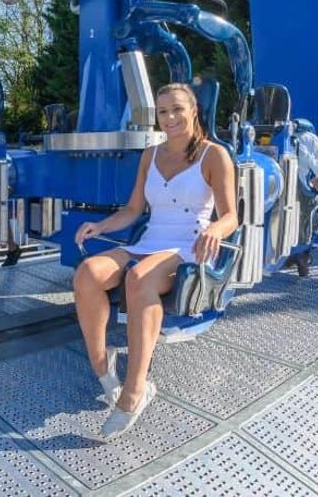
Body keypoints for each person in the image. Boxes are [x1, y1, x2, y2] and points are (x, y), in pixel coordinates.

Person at [74, 83, 238, 440]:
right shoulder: (150, 155)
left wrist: (215, 231)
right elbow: (134, 210)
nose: (170, 118)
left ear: (194, 110)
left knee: (139, 278)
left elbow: (231, 217)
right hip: (150, 241)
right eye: (163, 112)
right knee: (87, 272)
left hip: (186, 245)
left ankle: (135, 392)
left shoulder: (214, 156)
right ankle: (105, 373)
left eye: (177, 109)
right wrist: (99, 226)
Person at [285, 119, 318, 277]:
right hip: (297, 203)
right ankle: (302, 250)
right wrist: (313, 168)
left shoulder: (258, 133)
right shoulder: (307, 138)